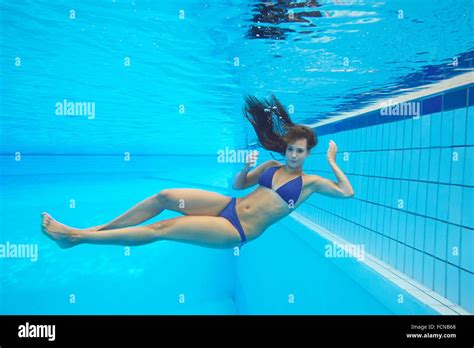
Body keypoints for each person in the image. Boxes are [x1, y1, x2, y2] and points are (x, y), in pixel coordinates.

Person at [41, 94, 354, 249]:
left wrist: (332, 162)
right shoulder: (272, 166)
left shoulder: (311, 183)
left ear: (307, 153)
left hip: (238, 230)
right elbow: (240, 184)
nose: (293, 155)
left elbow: (347, 192)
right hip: (228, 206)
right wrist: (245, 168)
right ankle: (97, 228)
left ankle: (76, 237)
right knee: (165, 196)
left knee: (163, 229)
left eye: (300, 151)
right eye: (290, 149)